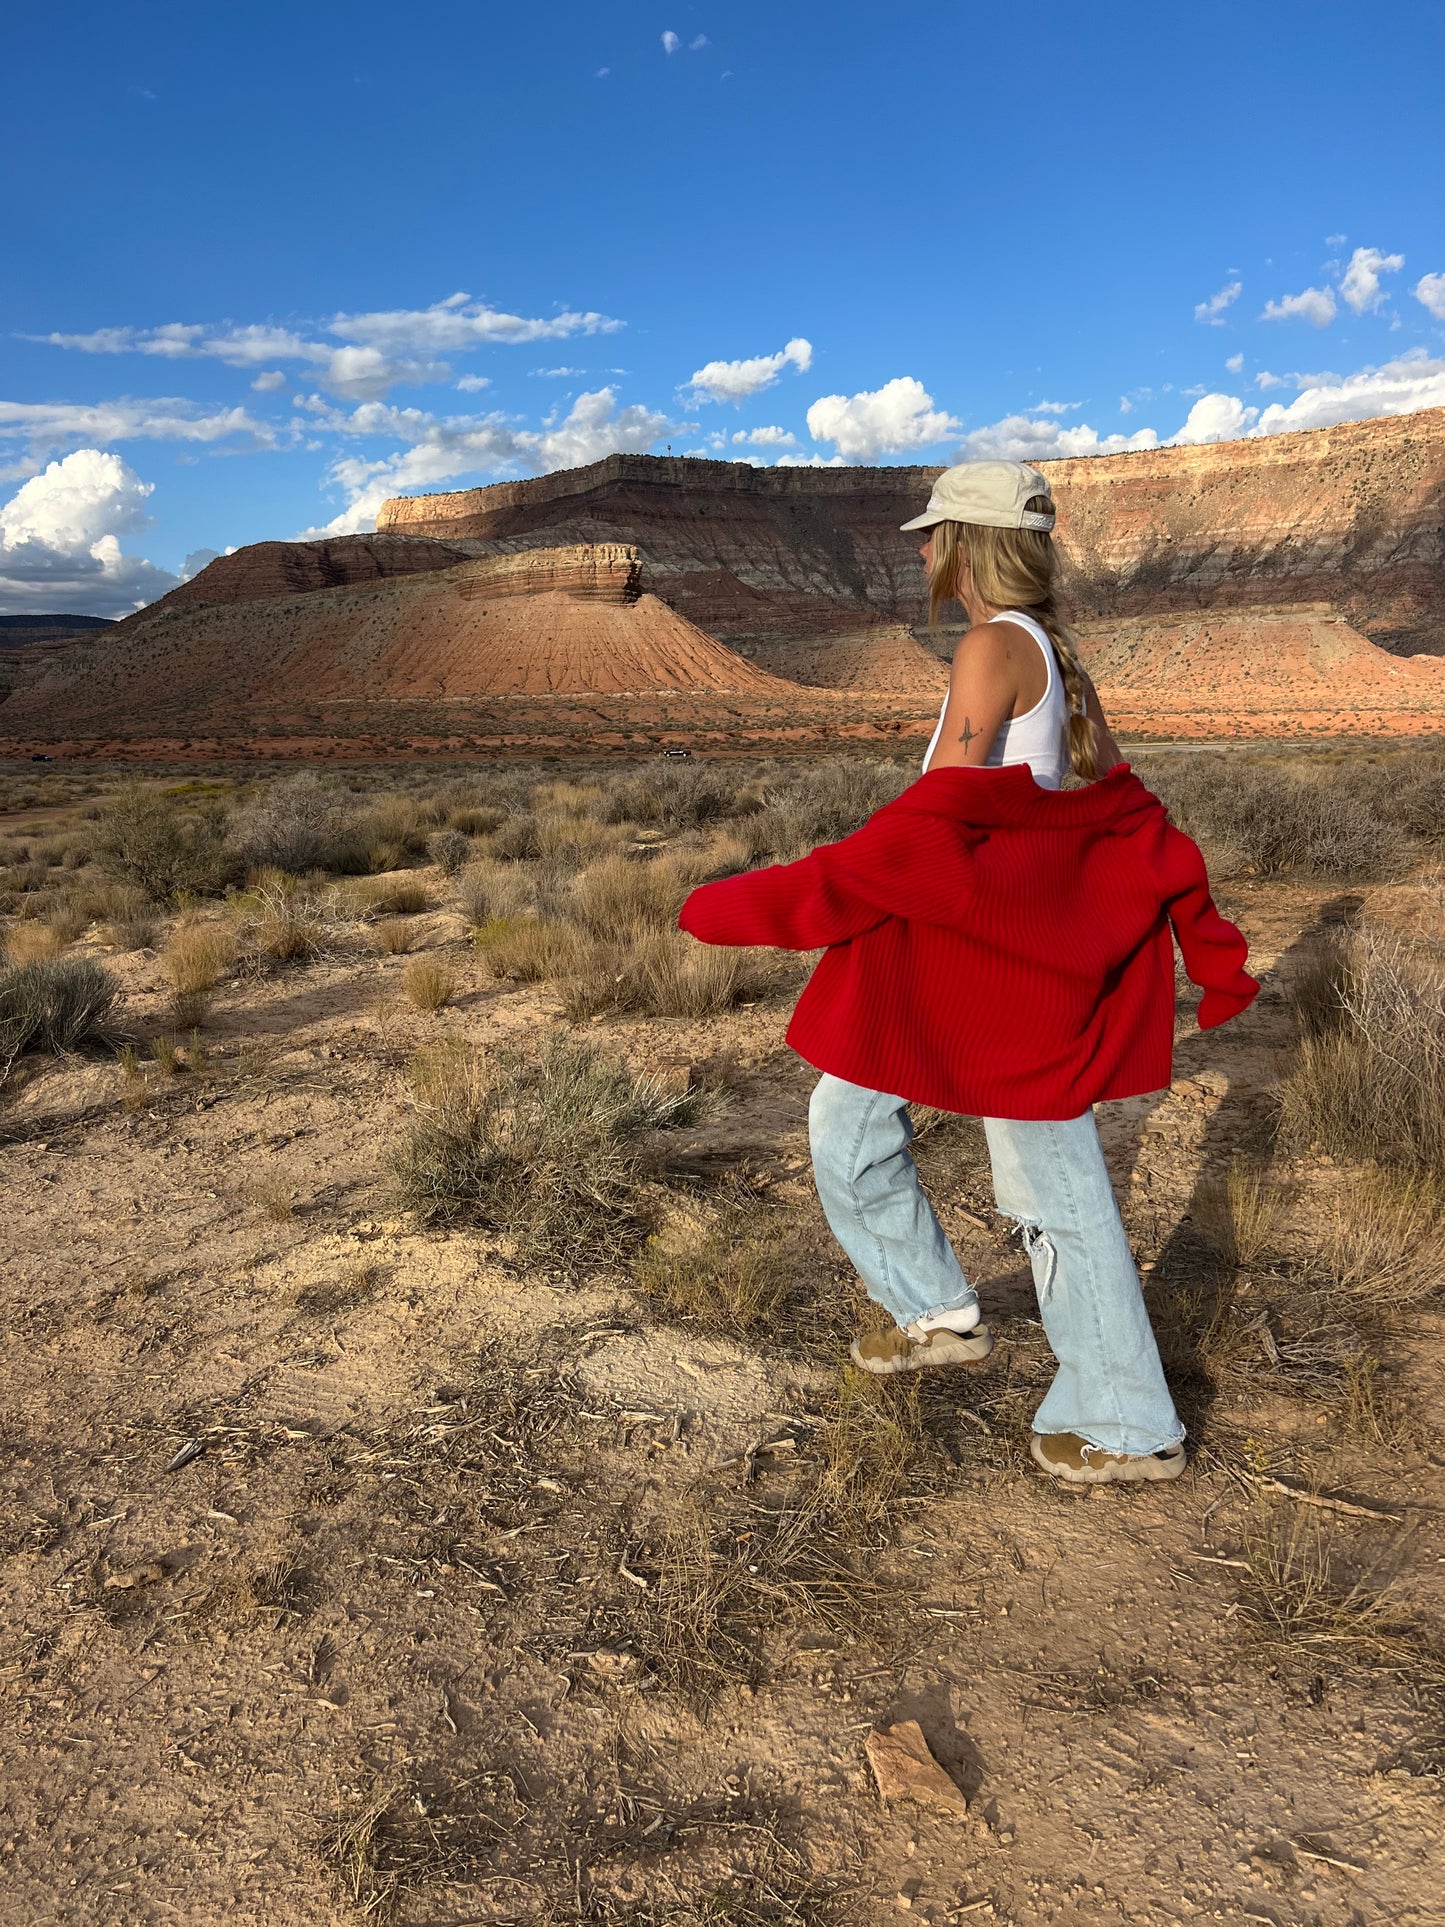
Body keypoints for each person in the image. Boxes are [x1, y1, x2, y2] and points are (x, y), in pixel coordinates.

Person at [678, 459, 1259, 1487]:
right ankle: (935, 1312)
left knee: (1053, 1183)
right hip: (939, 967)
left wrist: (755, 900)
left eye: (931, 532)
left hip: (997, 981)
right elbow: (1124, 812)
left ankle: (1130, 1423)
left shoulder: (993, 645)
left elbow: (927, 828)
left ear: (968, 544)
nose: (917, 549)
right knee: (846, 1123)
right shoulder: (1055, 656)